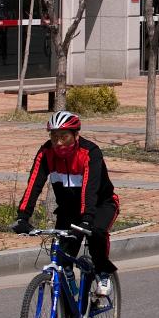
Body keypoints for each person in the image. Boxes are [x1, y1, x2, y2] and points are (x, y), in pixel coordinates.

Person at [14, 111, 120, 289]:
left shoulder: (90, 152)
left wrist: (87, 219)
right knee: (62, 254)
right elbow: (34, 184)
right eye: (54, 137)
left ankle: (103, 273)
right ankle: (68, 298)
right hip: (68, 210)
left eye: (64, 137)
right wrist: (23, 216)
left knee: (96, 234)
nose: (58, 143)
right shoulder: (46, 152)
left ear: (76, 135)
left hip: (101, 205)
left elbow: (90, 188)